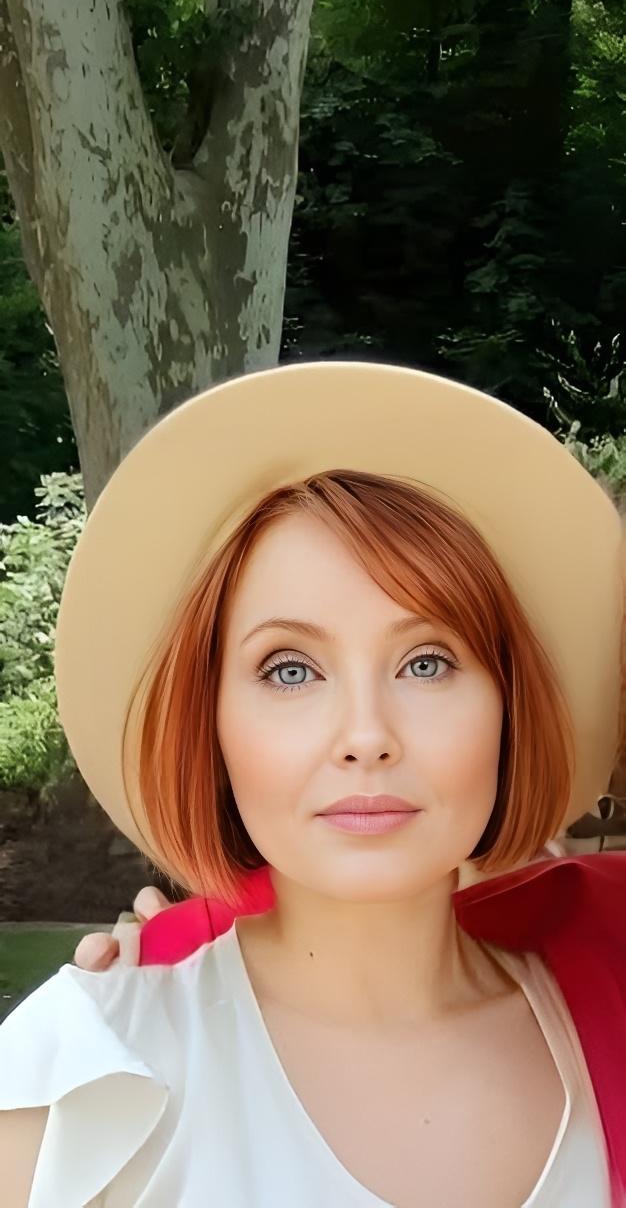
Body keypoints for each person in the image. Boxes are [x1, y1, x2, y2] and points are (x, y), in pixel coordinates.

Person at [0, 362, 624, 1208]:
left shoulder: (605, 1013)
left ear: (510, 708)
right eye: (290, 669)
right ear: (210, 725)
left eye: (427, 662)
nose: (366, 736)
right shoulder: (83, 1079)